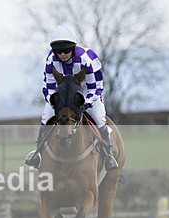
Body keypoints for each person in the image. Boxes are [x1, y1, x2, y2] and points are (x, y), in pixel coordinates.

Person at [24, 25, 118, 171]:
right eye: (58, 51)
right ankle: (38, 154)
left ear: (73, 47)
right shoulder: (50, 60)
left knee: (99, 119)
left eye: (66, 50)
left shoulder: (87, 58)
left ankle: (108, 154)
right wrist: (54, 101)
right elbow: (48, 87)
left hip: (88, 92)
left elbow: (96, 87)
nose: (62, 54)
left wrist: (85, 103)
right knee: (45, 119)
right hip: (62, 95)